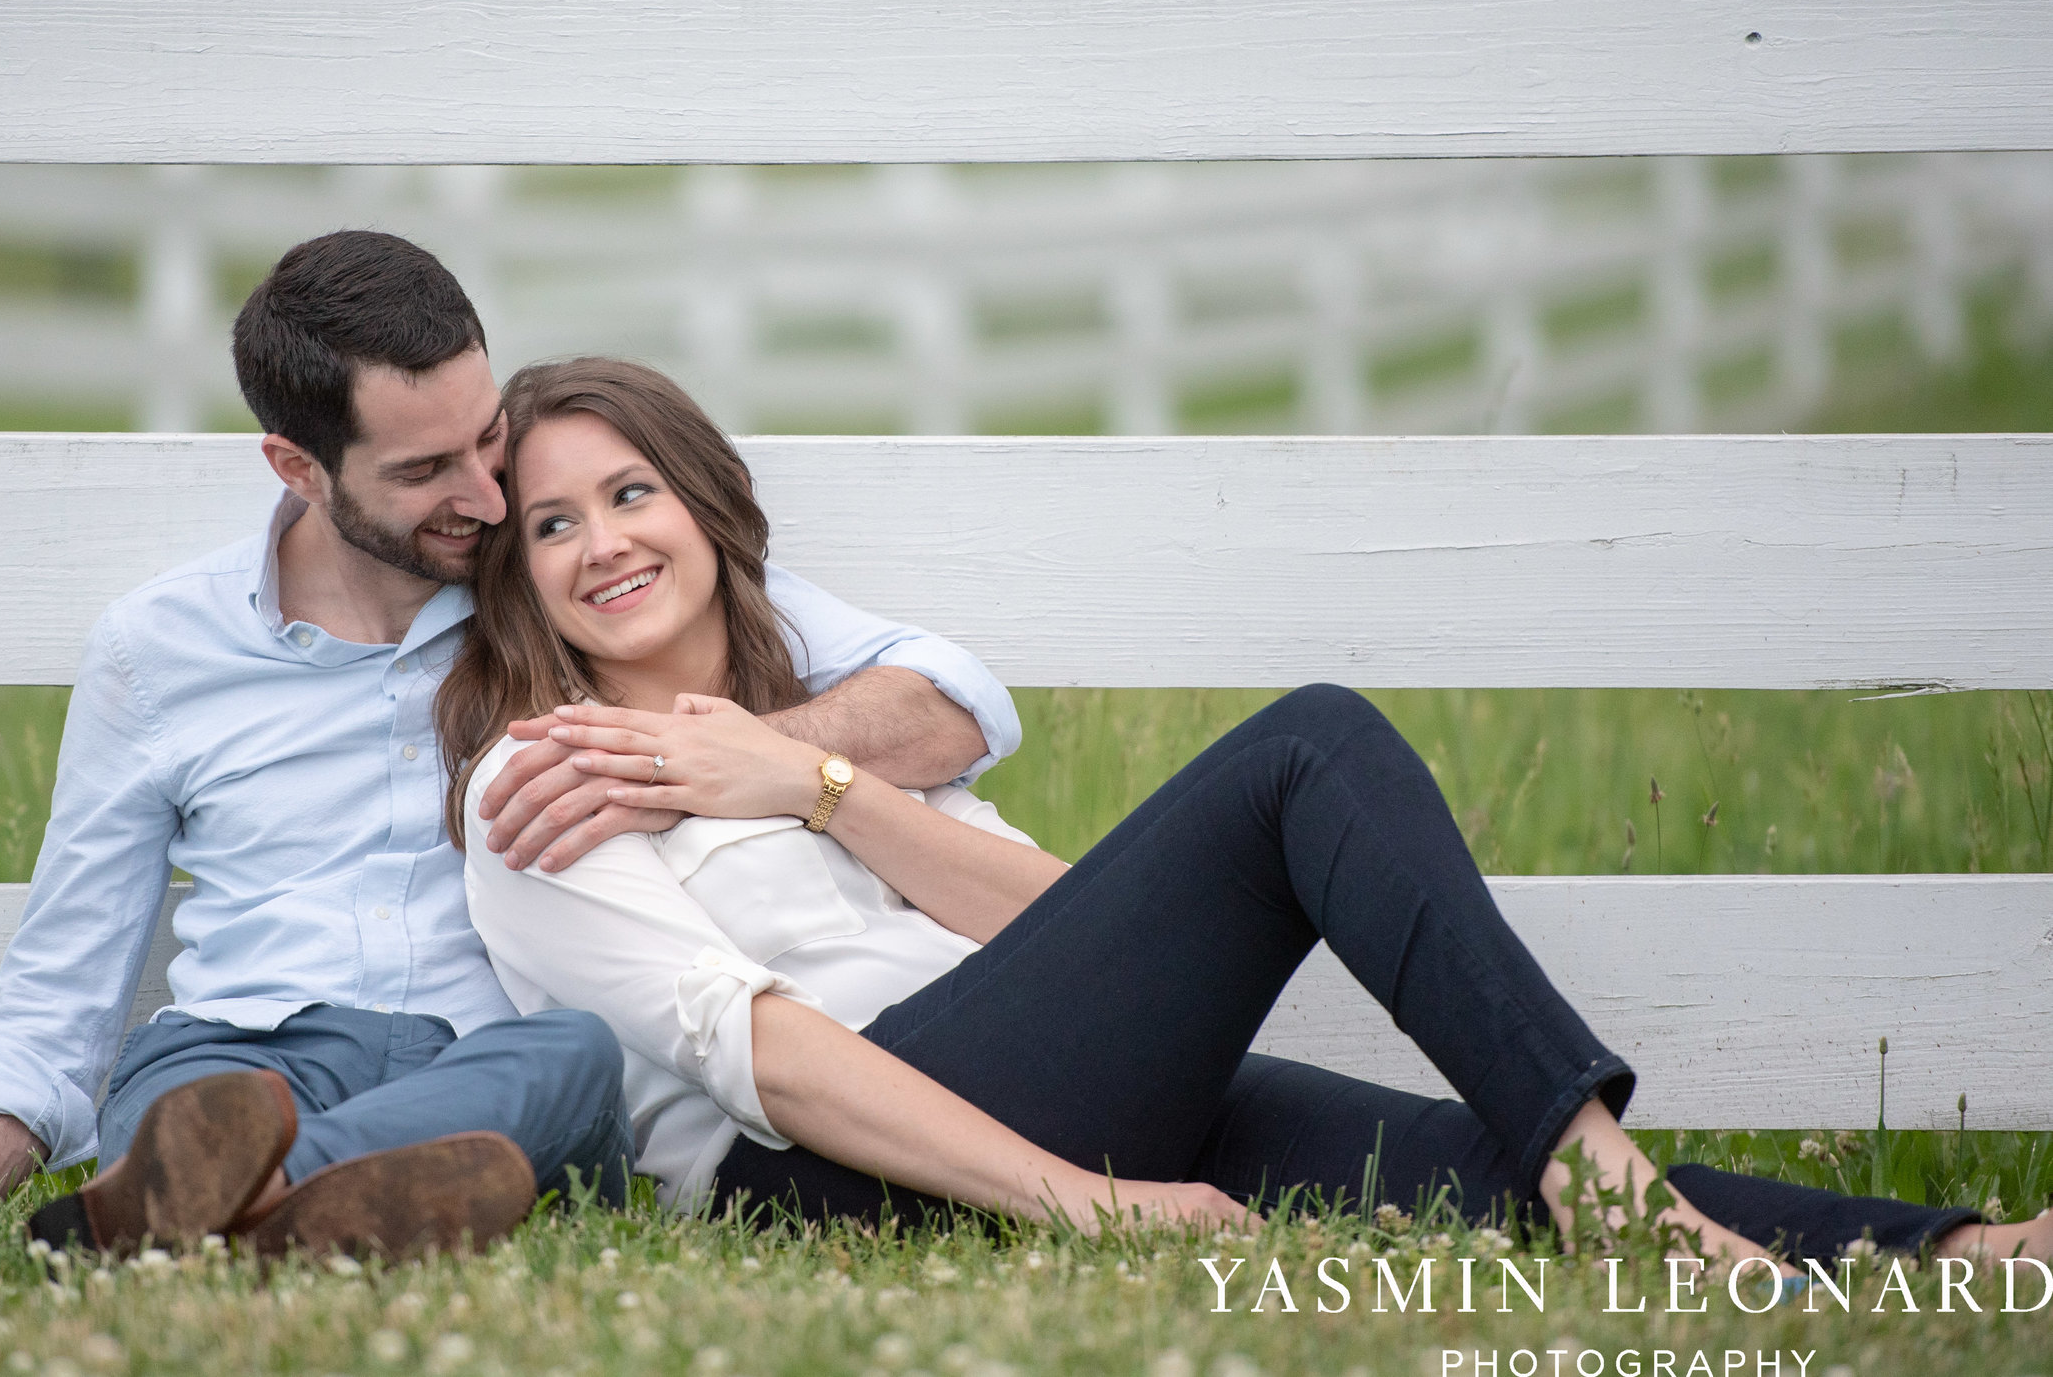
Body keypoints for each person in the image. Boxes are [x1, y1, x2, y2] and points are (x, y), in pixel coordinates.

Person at [451, 355, 2053, 1266]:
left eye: (630, 491)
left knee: (1469, 1165)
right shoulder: (540, 791)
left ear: (709, 506)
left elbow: (1066, 930)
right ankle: (1616, 1182)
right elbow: (777, 1062)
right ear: (517, 579)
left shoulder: (837, 741)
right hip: (844, 1175)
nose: (601, 541)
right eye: (549, 525)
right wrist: (1094, 1200)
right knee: (1308, 751)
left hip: (1033, 1070)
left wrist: (812, 782)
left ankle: (1953, 1255)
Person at [0, 233, 1019, 1261]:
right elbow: (56, 998)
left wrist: (728, 763)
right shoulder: (158, 648)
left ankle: (221, 1223)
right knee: (197, 1109)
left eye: (487, 438)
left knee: (571, 1055)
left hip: (487, 1068)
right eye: (427, 470)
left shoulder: (564, 572)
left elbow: (950, 702)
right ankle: (257, 1200)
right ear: (298, 468)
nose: (486, 494)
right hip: (240, 1057)